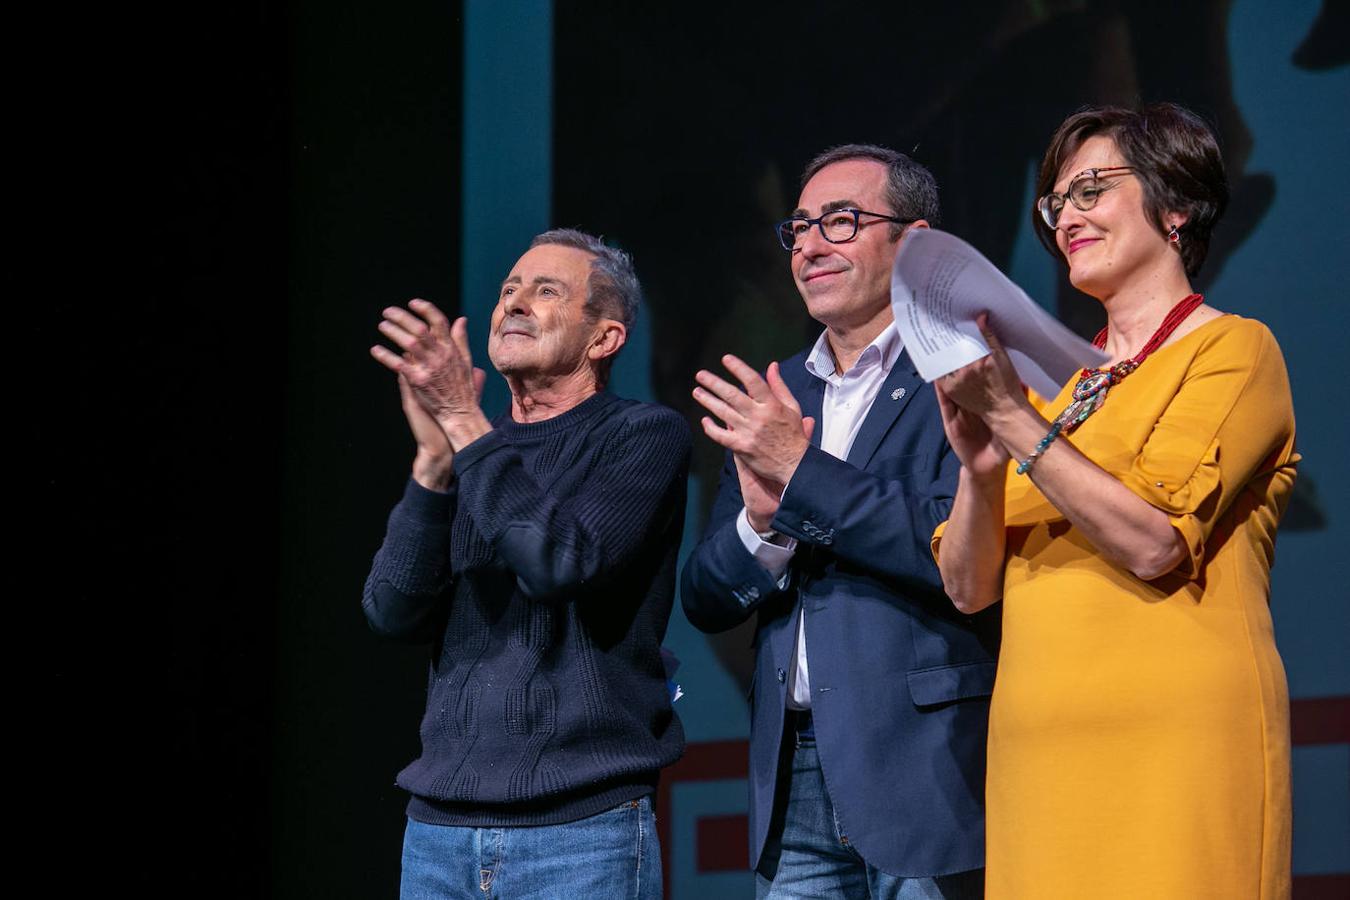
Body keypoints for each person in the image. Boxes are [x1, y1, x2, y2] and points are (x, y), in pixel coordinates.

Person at [934, 103, 1296, 899]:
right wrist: (981, 467)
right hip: (1040, 751)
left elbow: (1154, 544)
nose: (1067, 217)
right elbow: (967, 587)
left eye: (1092, 190)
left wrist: (1013, 420)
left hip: (1176, 741)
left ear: (1175, 208)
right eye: (1055, 203)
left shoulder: (1232, 349)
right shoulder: (1058, 396)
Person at [682, 145, 996, 899]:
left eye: (842, 222)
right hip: (791, 779)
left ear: (913, 242)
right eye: (799, 229)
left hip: (925, 770)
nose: (811, 246)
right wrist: (763, 526)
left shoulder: (968, 371)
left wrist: (801, 475)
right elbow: (705, 597)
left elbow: (953, 550)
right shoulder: (780, 392)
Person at [363, 228, 689, 900]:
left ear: (605, 338)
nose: (513, 304)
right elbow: (391, 610)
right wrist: (432, 466)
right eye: (508, 290)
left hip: (580, 831)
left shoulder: (642, 435)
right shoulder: (471, 451)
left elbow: (558, 562)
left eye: (546, 292)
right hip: (437, 832)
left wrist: (461, 421)